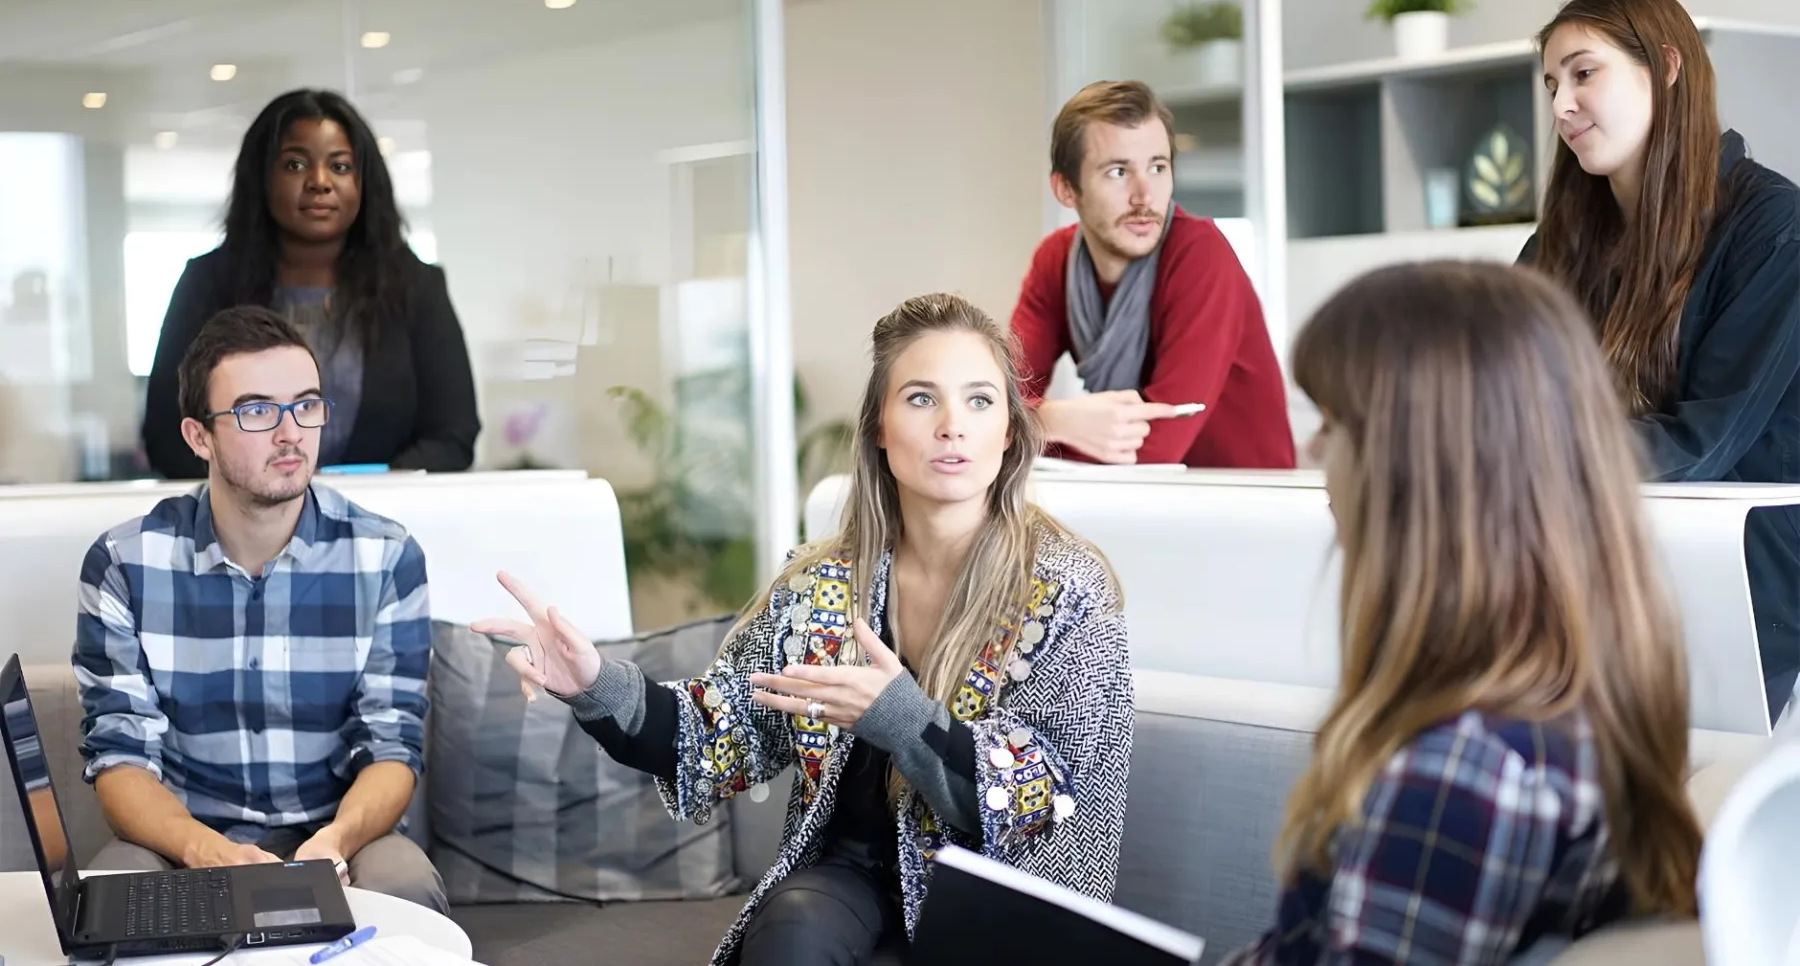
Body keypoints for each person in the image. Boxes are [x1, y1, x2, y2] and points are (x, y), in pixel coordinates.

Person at [477, 293, 1134, 966]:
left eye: (978, 400)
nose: (951, 426)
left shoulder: (1069, 593)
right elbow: (716, 732)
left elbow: (1039, 798)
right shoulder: (821, 584)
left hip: (998, 905)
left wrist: (900, 716)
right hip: (851, 882)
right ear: (878, 426)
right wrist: (594, 683)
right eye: (919, 398)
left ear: (1009, 431)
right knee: (790, 931)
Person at [1222, 261, 1702, 964]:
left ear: (1419, 467)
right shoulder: (1566, 700)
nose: (1314, 452)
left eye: (1333, 424)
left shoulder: (1463, 773)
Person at [75, 306, 444, 912]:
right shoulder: (124, 563)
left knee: (404, 886)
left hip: (337, 832)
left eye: (306, 405)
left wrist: (336, 841)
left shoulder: (385, 557)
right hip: (183, 836)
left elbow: (392, 745)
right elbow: (119, 756)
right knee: (109, 895)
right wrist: (206, 851)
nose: (290, 433)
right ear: (200, 436)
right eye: (255, 411)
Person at [1522, 0, 1799, 722]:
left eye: (1584, 73)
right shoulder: (1557, 245)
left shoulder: (1774, 226)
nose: (1560, 106)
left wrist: (1517, 456)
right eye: (1552, 84)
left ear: (1667, 67)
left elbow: (1702, 442)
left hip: (1744, 587)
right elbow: (1499, 394)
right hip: (1596, 567)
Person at [143, 88, 480, 478]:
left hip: (384, 522)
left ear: (364, 182)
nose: (319, 182)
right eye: (294, 165)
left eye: (340, 167)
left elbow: (453, 436)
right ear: (261, 178)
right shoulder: (207, 285)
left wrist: (360, 500)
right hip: (243, 526)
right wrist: (267, 493)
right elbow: (167, 438)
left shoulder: (416, 287)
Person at [1010, 80, 1293, 468]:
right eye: (1117, 172)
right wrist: (1052, 419)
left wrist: (1031, 426)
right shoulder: (1055, 260)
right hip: (1139, 502)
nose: (1144, 196)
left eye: (1158, 167)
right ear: (1065, 190)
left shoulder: (1201, 253)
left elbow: (1156, 446)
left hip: (1242, 505)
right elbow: (995, 400)